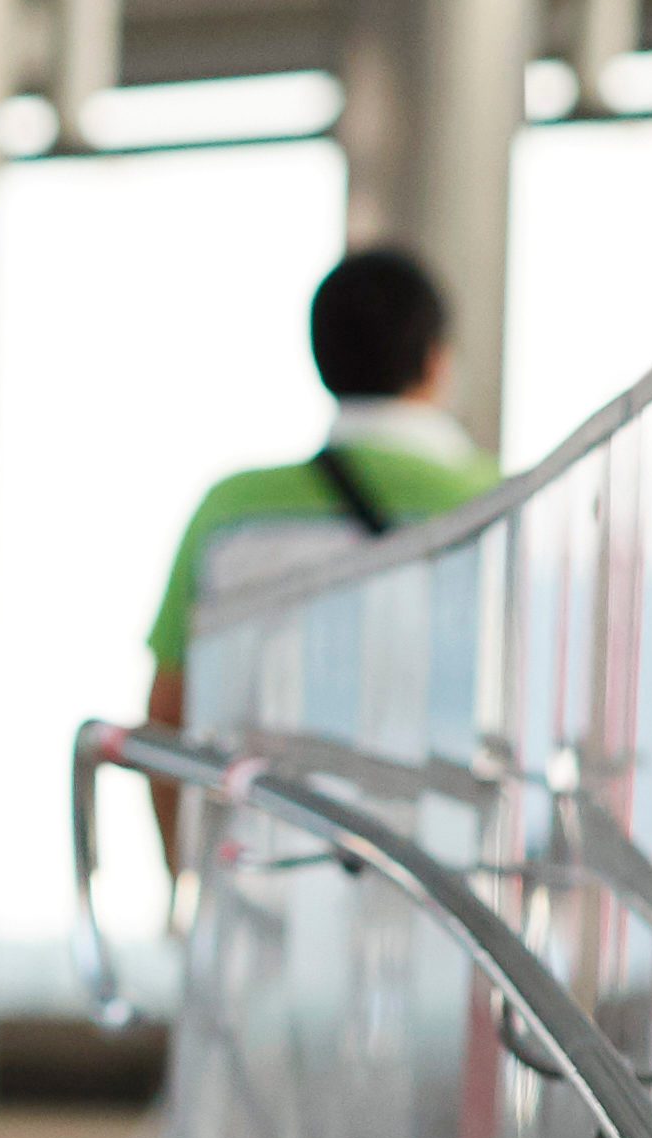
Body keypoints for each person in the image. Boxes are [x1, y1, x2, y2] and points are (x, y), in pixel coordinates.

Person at [138, 244, 494, 860]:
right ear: (437, 362)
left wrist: (185, 878)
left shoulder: (230, 511)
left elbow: (167, 713)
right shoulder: (502, 507)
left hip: (265, 876)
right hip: (446, 879)